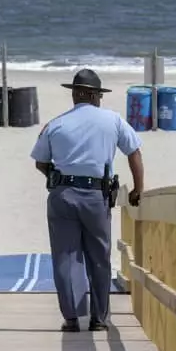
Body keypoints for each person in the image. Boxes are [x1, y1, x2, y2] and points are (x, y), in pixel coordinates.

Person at [30, 68, 144, 332]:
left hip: (62, 196)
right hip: (97, 196)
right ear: (95, 96)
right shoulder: (112, 120)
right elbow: (134, 152)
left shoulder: (56, 123)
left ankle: (71, 318)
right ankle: (98, 319)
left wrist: (57, 177)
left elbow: (40, 162)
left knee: (65, 257)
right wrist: (138, 189)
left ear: (75, 94)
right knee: (99, 257)